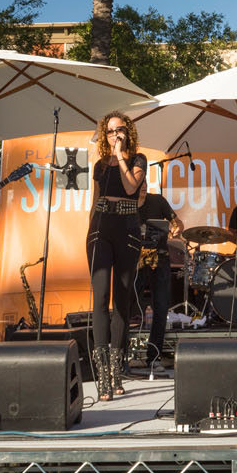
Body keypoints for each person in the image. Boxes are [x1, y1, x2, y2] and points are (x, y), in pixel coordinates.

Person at [87, 110, 147, 399]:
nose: (114, 135)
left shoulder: (138, 160)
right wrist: (88, 233)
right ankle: (102, 377)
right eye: (109, 131)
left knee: (120, 301)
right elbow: (94, 200)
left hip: (128, 228)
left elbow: (131, 187)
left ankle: (116, 370)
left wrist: (121, 155)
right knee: (99, 299)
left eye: (119, 130)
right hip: (100, 228)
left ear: (128, 132)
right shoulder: (98, 165)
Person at [135, 188, 186, 372]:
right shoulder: (127, 203)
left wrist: (177, 227)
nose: (142, 185)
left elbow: (176, 221)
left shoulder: (158, 201)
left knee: (161, 306)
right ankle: (122, 354)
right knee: (128, 305)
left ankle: (153, 356)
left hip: (160, 259)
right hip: (135, 260)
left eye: (144, 179)